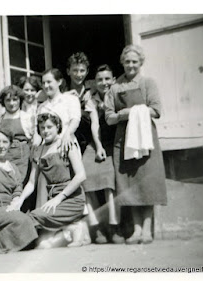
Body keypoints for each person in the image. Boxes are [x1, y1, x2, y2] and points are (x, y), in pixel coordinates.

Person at [104, 45, 167, 244]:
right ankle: (136, 230)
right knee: (129, 185)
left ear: (140, 63)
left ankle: (147, 230)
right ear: (122, 62)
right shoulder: (115, 87)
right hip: (124, 141)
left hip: (145, 139)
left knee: (147, 183)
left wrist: (134, 111)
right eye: (127, 61)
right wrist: (124, 114)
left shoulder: (148, 83)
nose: (131, 65)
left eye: (135, 61)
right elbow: (109, 117)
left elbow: (156, 110)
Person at [8, 113, 88, 248]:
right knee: (42, 245)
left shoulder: (66, 144)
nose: (45, 131)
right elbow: (32, 182)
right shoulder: (38, 151)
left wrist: (59, 198)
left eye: (49, 127)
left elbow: (81, 175)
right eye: (42, 128)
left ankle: (76, 228)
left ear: (57, 127)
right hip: (52, 202)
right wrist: (20, 200)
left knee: (34, 217)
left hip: (71, 199)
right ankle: (69, 227)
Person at [81, 64, 124, 244]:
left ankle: (114, 226)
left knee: (109, 180)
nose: (104, 83)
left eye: (107, 79)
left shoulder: (118, 95)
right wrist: (98, 146)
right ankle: (97, 225)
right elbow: (95, 125)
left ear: (113, 80)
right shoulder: (92, 100)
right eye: (100, 79)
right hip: (97, 142)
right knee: (85, 176)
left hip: (115, 143)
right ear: (94, 82)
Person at [36, 68, 82, 208]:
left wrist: (67, 135)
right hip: (49, 152)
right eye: (43, 83)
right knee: (44, 186)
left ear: (59, 82)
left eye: (49, 82)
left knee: (71, 183)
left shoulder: (70, 99)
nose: (46, 86)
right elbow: (39, 131)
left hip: (66, 147)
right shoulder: (42, 107)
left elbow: (75, 119)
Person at [0, 85, 38, 185]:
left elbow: (35, 136)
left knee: (21, 184)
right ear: (3, 102)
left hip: (23, 158)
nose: (12, 103)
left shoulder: (27, 117)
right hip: (5, 156)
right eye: (8, 100)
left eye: (15, 99)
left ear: (20, 100)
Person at [65, 52, 92, 153]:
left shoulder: (91, 88)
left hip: (89, 142)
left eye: (82, 71)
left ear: (87, 71)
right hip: (69, 140)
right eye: (75, 70)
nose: (78, 75)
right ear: (68, 71)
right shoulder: (63, 90)